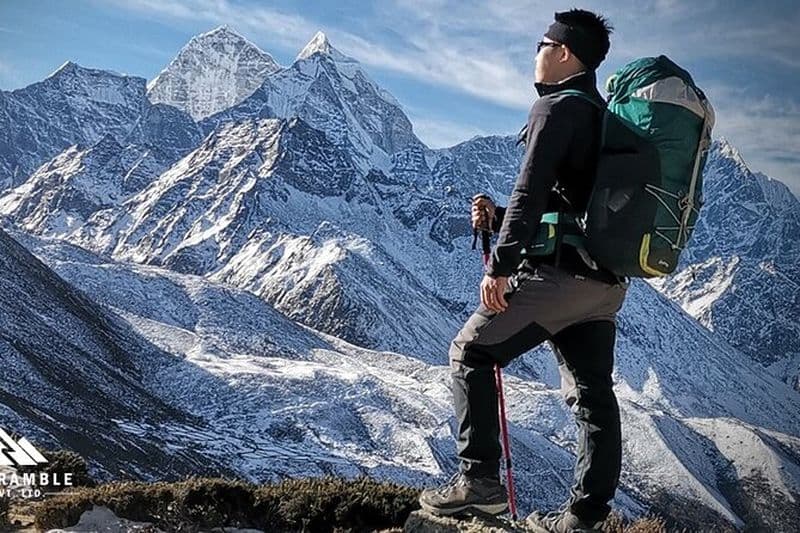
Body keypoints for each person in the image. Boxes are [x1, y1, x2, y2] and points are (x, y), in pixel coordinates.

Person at [418, 9, 628, 533]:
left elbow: (531, 191)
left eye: (541, 43)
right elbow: (566, 198)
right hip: (604, 283)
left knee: (471, 351)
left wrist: (500, 266)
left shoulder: (554, 108)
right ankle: (584, 517)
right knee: (593, 396)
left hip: (558, 275)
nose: (534, 52)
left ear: (563, 52)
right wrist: (498, 220)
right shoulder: (604, 116)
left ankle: (479, 485)